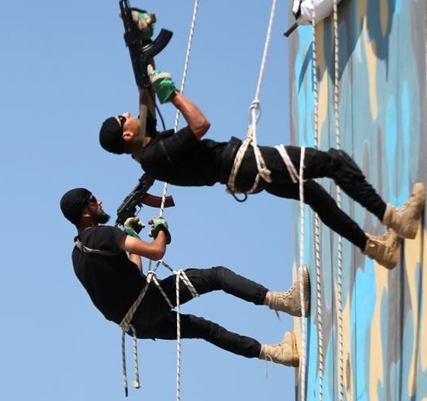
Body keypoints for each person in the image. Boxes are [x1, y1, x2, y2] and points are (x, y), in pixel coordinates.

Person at [97, 68, 424, 270]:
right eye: (123, 117)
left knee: (312, 192)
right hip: (245, 164)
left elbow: (146, 105)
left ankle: (376, 250)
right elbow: (200, 124)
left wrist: (143, 56)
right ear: (127, 134)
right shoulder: (154, 154)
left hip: (239, 174)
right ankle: (395, 218)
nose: (128, 112)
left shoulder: (144, 150)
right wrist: (175, 95)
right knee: (333, 162)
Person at [60, 187, 308, 366]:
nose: (100, 201)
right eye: (94, 200)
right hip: (148, 302)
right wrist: (160, 229)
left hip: (136, 325)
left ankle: (278, 355)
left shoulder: (77, 254)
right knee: (217, 276)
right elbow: (156, 252)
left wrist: (129, 233)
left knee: (205, 330)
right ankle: (285, 302)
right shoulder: (101, 235)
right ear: (85, 212)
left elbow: (131, 274)